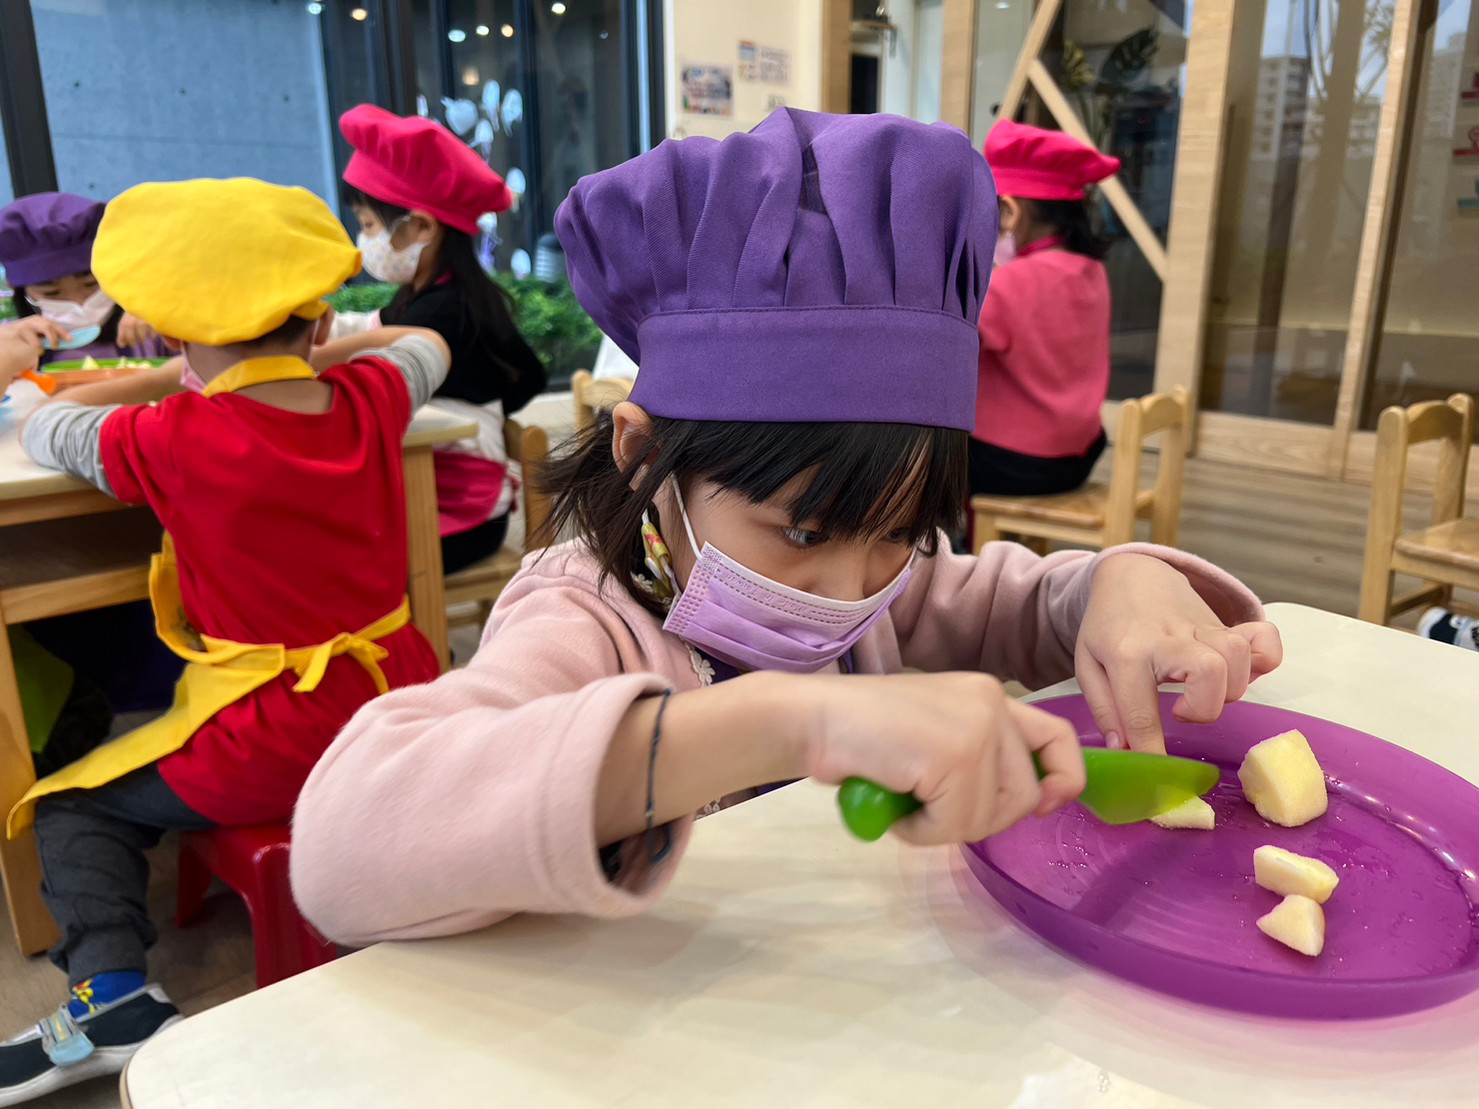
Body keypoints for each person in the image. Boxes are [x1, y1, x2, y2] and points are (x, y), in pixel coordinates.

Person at [288, 108, 1281, 948]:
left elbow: (1015, 603)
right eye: (801, 534)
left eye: (897, 534)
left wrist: (1115, 583)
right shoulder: (584, 615)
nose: (851, 592)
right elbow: (345, 845)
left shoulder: (887, 583)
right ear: (644, 456)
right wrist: (789, 723)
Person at [0, 177, 449, 1105]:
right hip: (404, 700)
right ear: (317, 320)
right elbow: (427, 347)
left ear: (175, 334)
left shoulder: (168, 436)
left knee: (71, 805)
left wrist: (136, 379)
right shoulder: (372, 396)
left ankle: (111, 999)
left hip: (274, 732)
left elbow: (44, 425)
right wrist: (335, 347)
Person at [337, 104, 548, 573]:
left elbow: (361, 344)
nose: (363, 239)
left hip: (462, 510)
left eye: (368, 225)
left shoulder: (446, 310)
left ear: (422, 227)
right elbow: (363, 330)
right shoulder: (428, 296)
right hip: (433, 491)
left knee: (342, 560)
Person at [970, 120, 1120, 497]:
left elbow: (951, 348)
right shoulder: (1093, 272)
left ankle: (961, 533)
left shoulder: (1011, 282)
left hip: (1016, 461)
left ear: (1010, 212)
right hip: (1080, 454)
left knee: (925, 453)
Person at [0, 192, 167, 364]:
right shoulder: (9, 345)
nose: (79, 303)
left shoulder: (152, 332)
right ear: (16, 288)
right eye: (52, 292)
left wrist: (166, 319)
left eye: (90, 284)